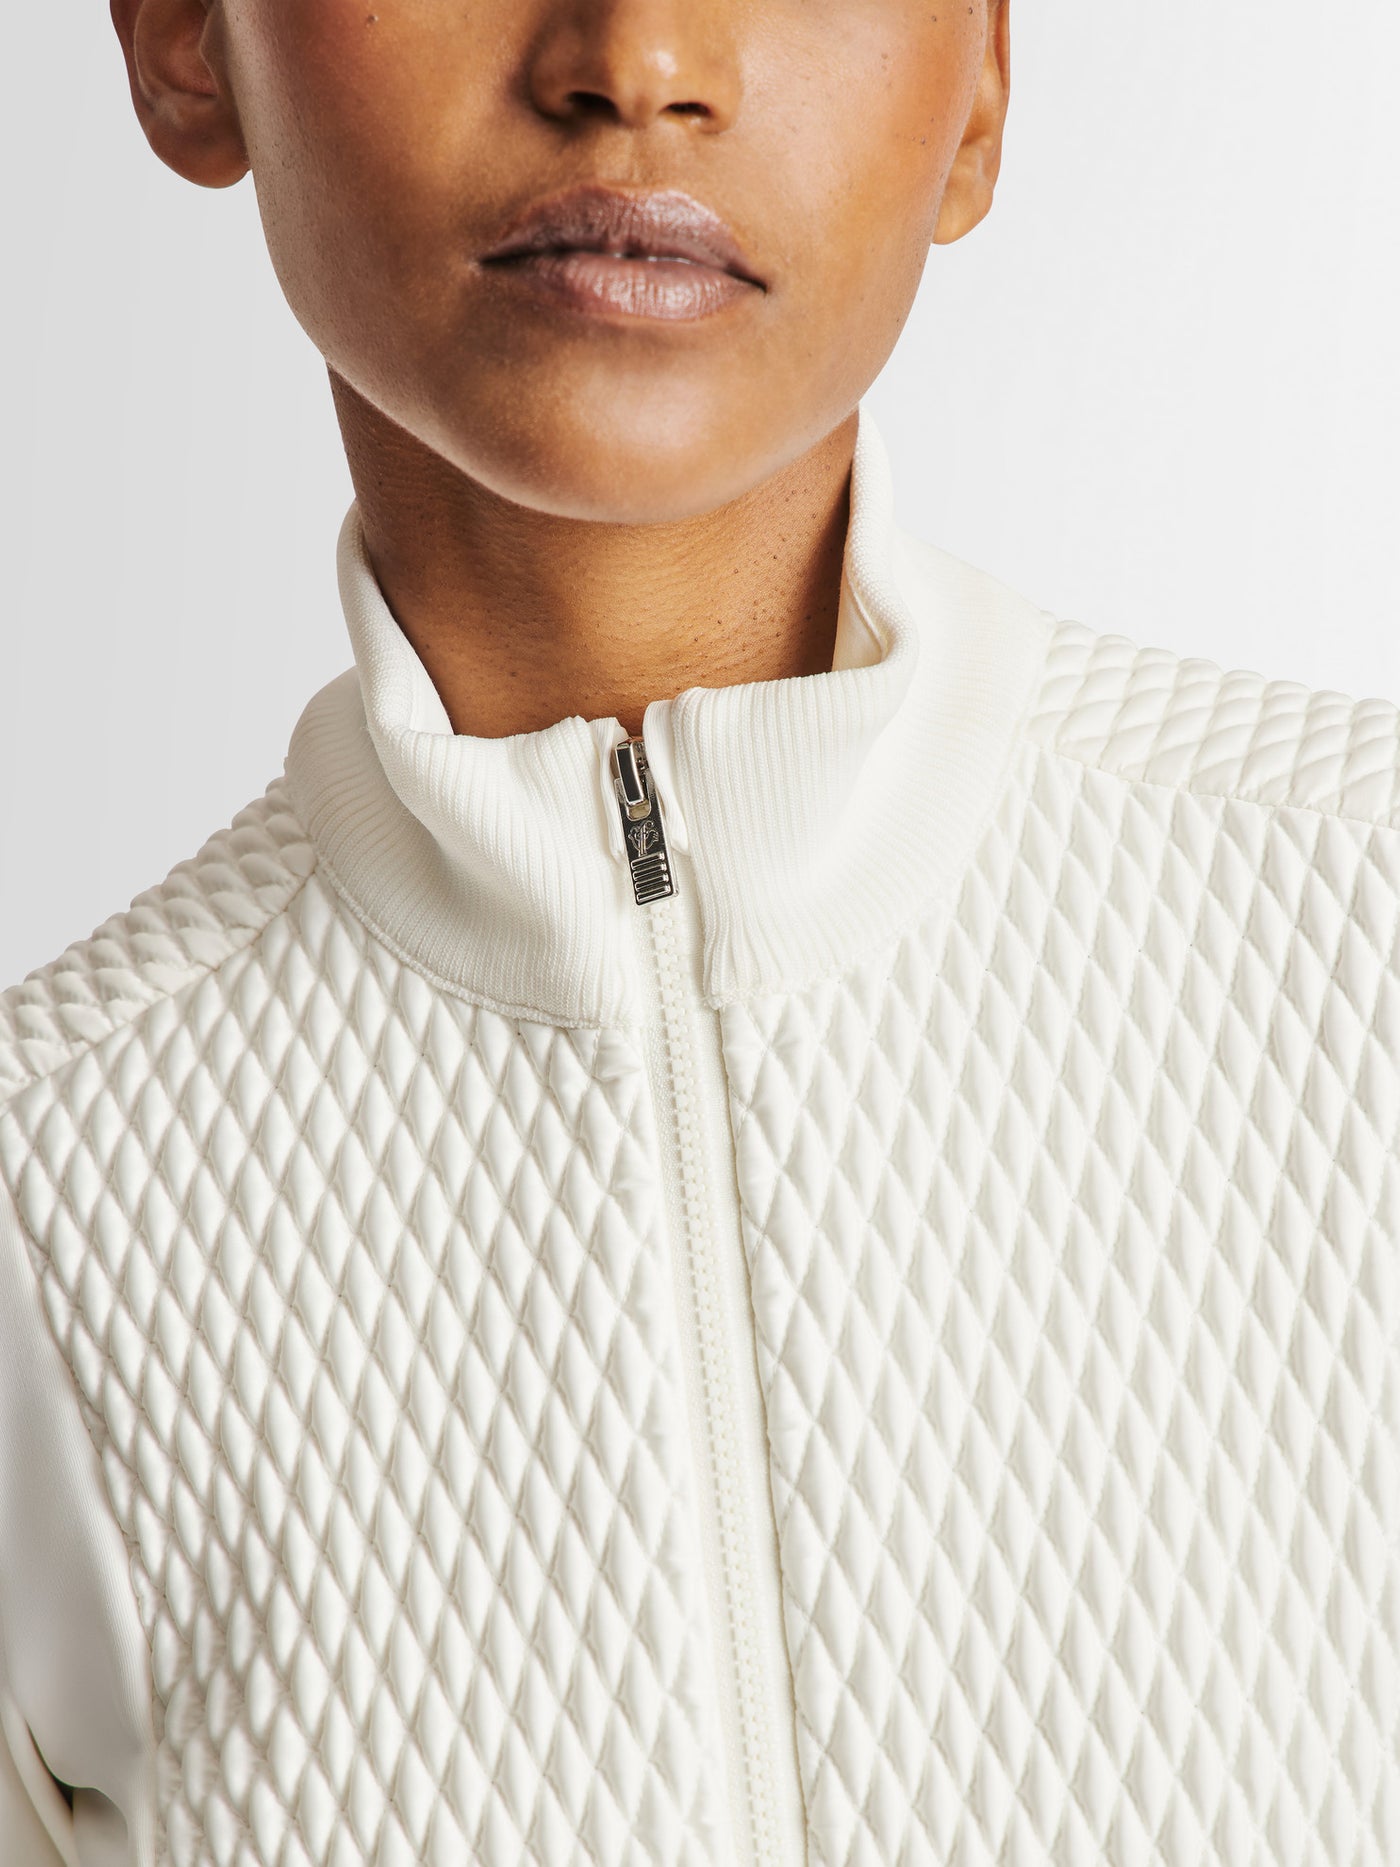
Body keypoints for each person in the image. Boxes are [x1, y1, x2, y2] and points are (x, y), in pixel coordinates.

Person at [2, 1, 1397, 1863]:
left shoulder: (1363, 921)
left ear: (980, 86)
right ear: (189, 44)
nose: (639, 54)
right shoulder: (38, 1220)